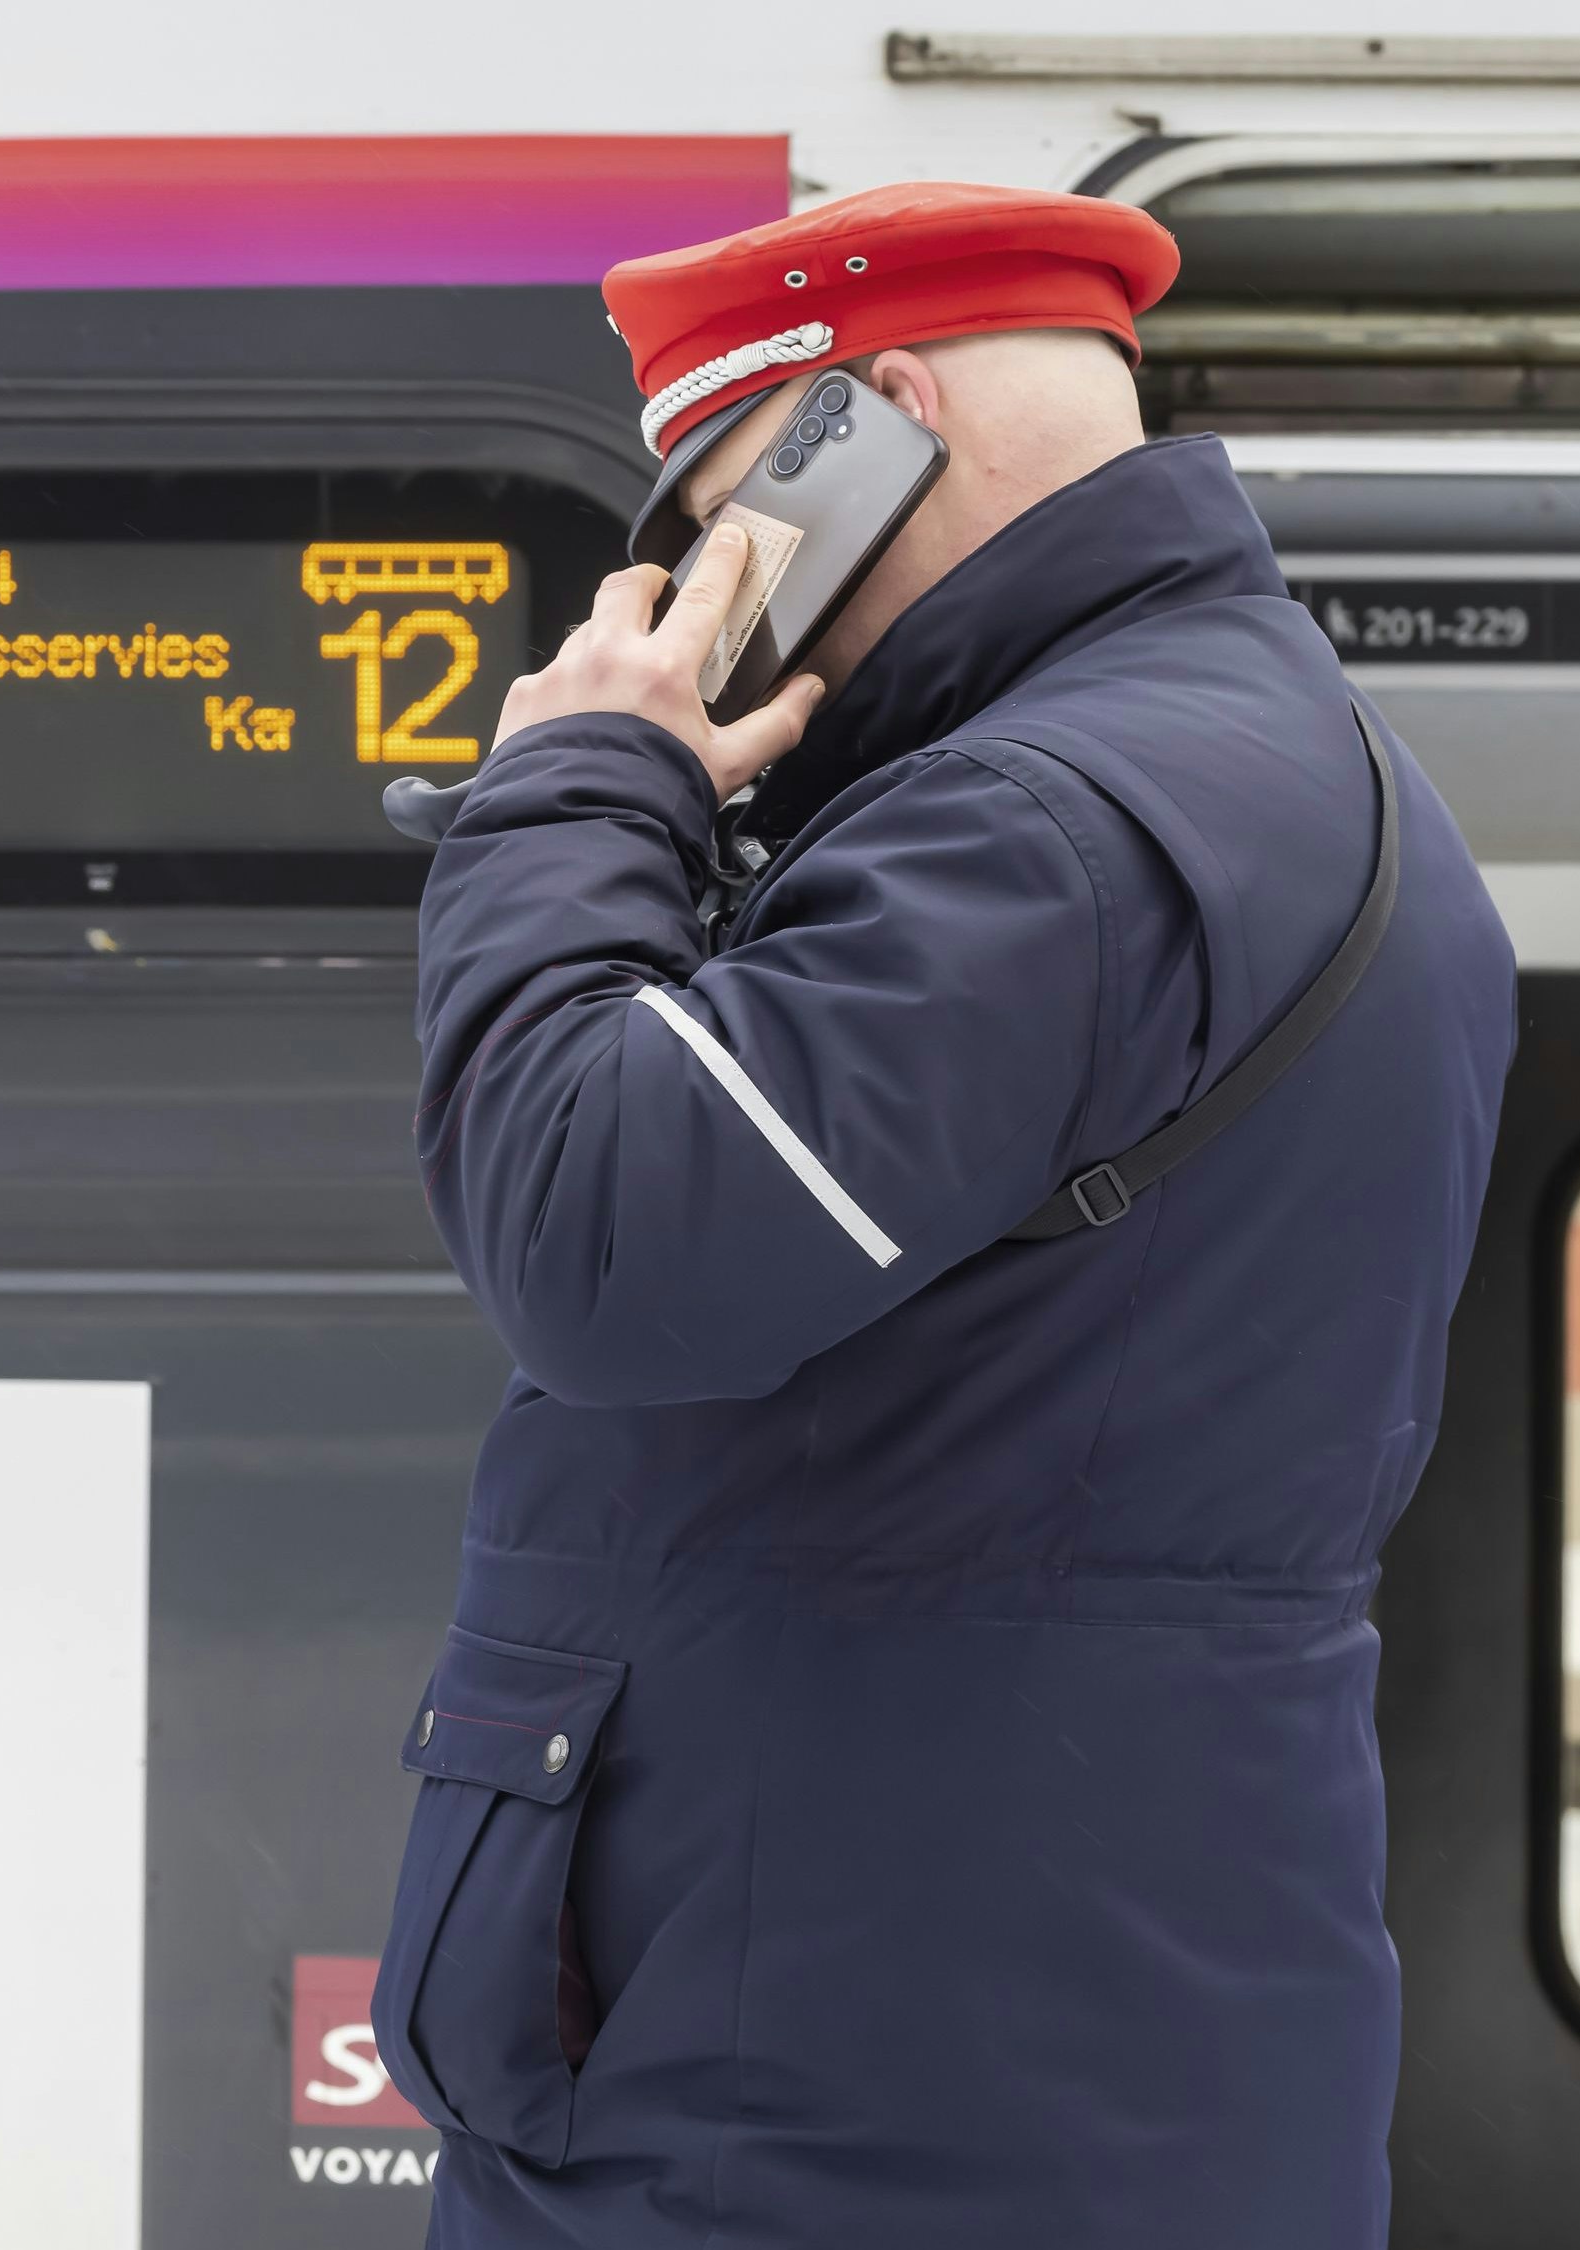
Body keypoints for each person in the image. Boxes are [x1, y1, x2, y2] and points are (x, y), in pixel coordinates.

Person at [373, 180, 1517, 2249]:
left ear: (877, 411)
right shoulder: (1269, 769)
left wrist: (574, 791)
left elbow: (603, 1248)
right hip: (1024, 2027)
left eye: (743, 520)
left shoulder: (1037, 827)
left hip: (837, 2083)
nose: (729, 608)